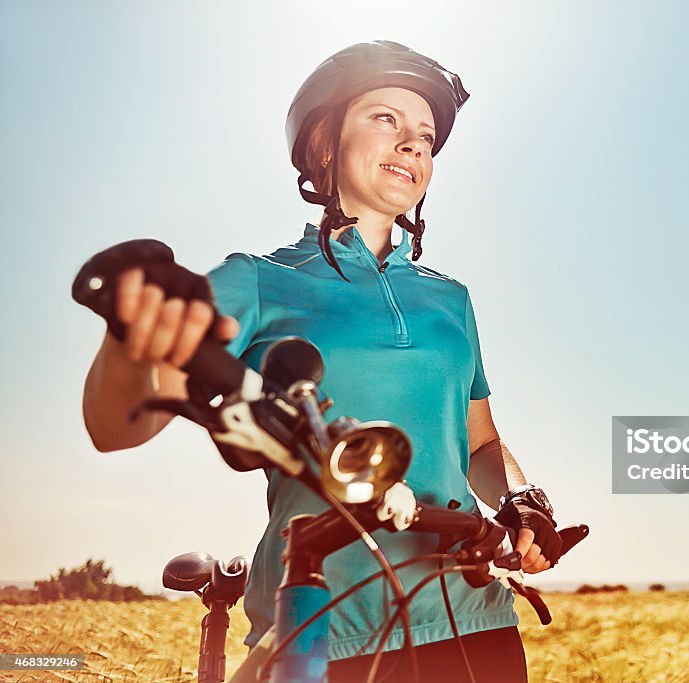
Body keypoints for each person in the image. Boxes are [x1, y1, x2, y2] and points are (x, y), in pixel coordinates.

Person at [81, 41, 562, 682]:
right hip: (323, 621)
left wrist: (524, 502)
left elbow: (480, 444)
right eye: (386, 119)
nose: (414, 145)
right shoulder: (258, 280)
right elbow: (118, 428)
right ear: (323, 147)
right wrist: (127, 332)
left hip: (474, 617)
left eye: (425, 136)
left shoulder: (451, 300)